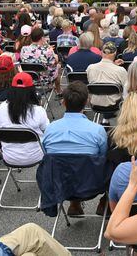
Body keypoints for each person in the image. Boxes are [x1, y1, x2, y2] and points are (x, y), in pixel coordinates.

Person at [42, 81, 107, 216]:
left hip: (59, 185)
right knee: (112, 162)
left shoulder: (50, 129)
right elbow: (103, 158)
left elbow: (46, 154)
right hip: (91, 186)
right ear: (87, 102)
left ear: (63, 102)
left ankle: (75, 203)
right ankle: (105, 201)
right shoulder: (97, 130)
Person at [0, 73, 49, 166]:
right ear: (32, 91)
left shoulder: (1, 107)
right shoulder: (38, 110)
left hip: (9, 157)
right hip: (36, 156)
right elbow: (47, 130)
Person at [86, 42, 127, 109]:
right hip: (114, 105)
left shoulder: (90, 68)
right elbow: (127, 88)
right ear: (115, 53)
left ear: (101, 52)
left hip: (95, 104)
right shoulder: (120, 70)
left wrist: (113, 65)